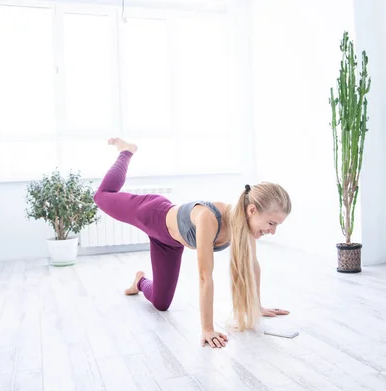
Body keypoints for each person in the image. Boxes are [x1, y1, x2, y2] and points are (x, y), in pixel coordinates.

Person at [93, 137, 292, 349]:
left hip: (169, 243)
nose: (272, 231)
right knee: (102, 196)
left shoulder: (244, 229)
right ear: (252, 210)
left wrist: (255, 306)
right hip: (151, 214)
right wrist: (207, 328)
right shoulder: (209, 218)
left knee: (161, 303)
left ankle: (139, 281)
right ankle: (126, 151)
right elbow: (205, 276)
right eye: (271, 223)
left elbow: (253, 266)